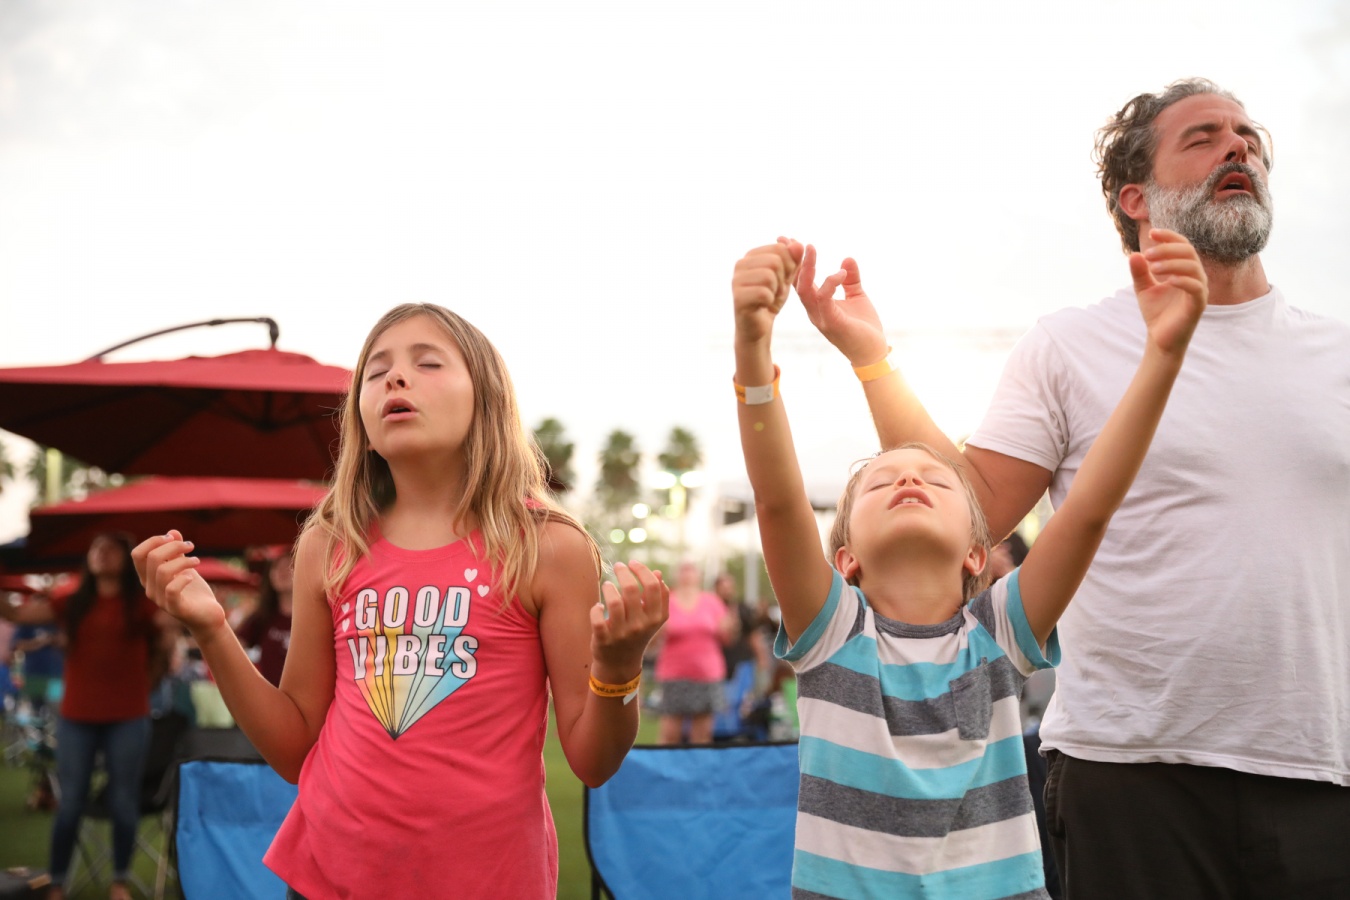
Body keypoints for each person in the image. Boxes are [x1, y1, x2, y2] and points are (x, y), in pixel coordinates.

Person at [798, 78, 1350, 898]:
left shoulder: (1336, 354)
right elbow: (972, 506)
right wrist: (874, 362)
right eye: (1202, 137)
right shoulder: (1070, 345)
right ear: (1136, 197)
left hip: (1320, 770)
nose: (1238, 146)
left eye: (1248, 136)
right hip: (1128, 770)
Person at [133, 303, 668, 900]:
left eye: (428, 362)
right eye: (376, 370)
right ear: (360, 417)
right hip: (328, 875)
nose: (395, 378)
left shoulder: (548, 546)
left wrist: (618, 669)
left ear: (486, 398)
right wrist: (211, 630)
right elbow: (294, 746)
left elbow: (593, 761)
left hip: (486, 882)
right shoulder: (329, 544)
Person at [731, 227, 1205, 898]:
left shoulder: (998, 633)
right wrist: (753, 347)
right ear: (846, 559)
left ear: (978, 552)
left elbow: (1089, 509)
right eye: (881, 480)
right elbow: (778, 502)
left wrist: (1162, 355)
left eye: (936, 477)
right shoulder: (831, 632)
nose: (908, 477)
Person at [0, 532, 173, 900]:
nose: (102, 554)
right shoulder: (71, 601)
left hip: (128, 716)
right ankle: (57, 882)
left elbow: (169, 634)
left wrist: (154, 671)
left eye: (111, 549)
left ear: (126, 559)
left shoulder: (140, 604)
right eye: (97, 548)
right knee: (71, 802)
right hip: (76, 717)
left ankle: (119, 882)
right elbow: (16, 613)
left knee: (123, 801)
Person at [652, 560, 734, 744]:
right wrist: (658, 629)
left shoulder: (712, 601)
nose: (687, 574)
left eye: (691, 570)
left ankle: (699, 764)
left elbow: (727, 639)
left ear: (699, 576)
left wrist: (730, 627)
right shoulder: (666, 601)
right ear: (676, 575)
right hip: (674, 675)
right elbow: (651, 642)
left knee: (702, 736)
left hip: (707, 675)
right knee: (670, 734)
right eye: (683, 570)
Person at [234, 549, 295, 686]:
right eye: (276, 567)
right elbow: (233, 648)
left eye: (288, 566)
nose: (282, 572)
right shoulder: (262, 616)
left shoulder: (314, 617)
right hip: (271, 694)